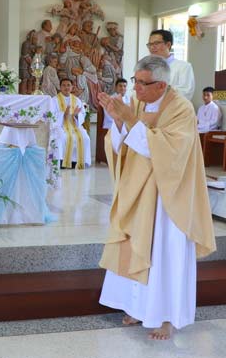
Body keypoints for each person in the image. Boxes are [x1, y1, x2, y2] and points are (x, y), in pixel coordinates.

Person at [98, 55, 216, 340]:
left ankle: (166, 317)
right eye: (135, 80)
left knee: (164, 254)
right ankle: (135, 307)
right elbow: (122, 145)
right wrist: (118, 122)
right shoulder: (137, 103)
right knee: (133, 245)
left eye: (142, 83)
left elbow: (169, 152)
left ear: (161, 85)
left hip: (168, 197)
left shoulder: (181, 109)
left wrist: (130, 120)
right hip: (138, 191)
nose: (135, 88)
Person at [51, 78, 91, 169]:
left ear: (72, 87)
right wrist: (63, 115)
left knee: (85, 138)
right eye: (64, 85)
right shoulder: (54, 100)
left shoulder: (77, 100)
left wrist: (76, 116)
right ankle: (61, 162)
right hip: (60, 126)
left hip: (75, 126)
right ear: (60, 87)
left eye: (68, 85)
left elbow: (82, 114)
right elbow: (51, 115)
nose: (66, 87)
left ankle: (78, 161)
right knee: (61, 138)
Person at [147, 29, 194, 100]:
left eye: (156, 44)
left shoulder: (183, 67)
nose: (152, 47)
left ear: (168, 45)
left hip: (173, 106)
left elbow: (186, 93)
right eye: (150, 44)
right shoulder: (147, 67)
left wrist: (157, 90)